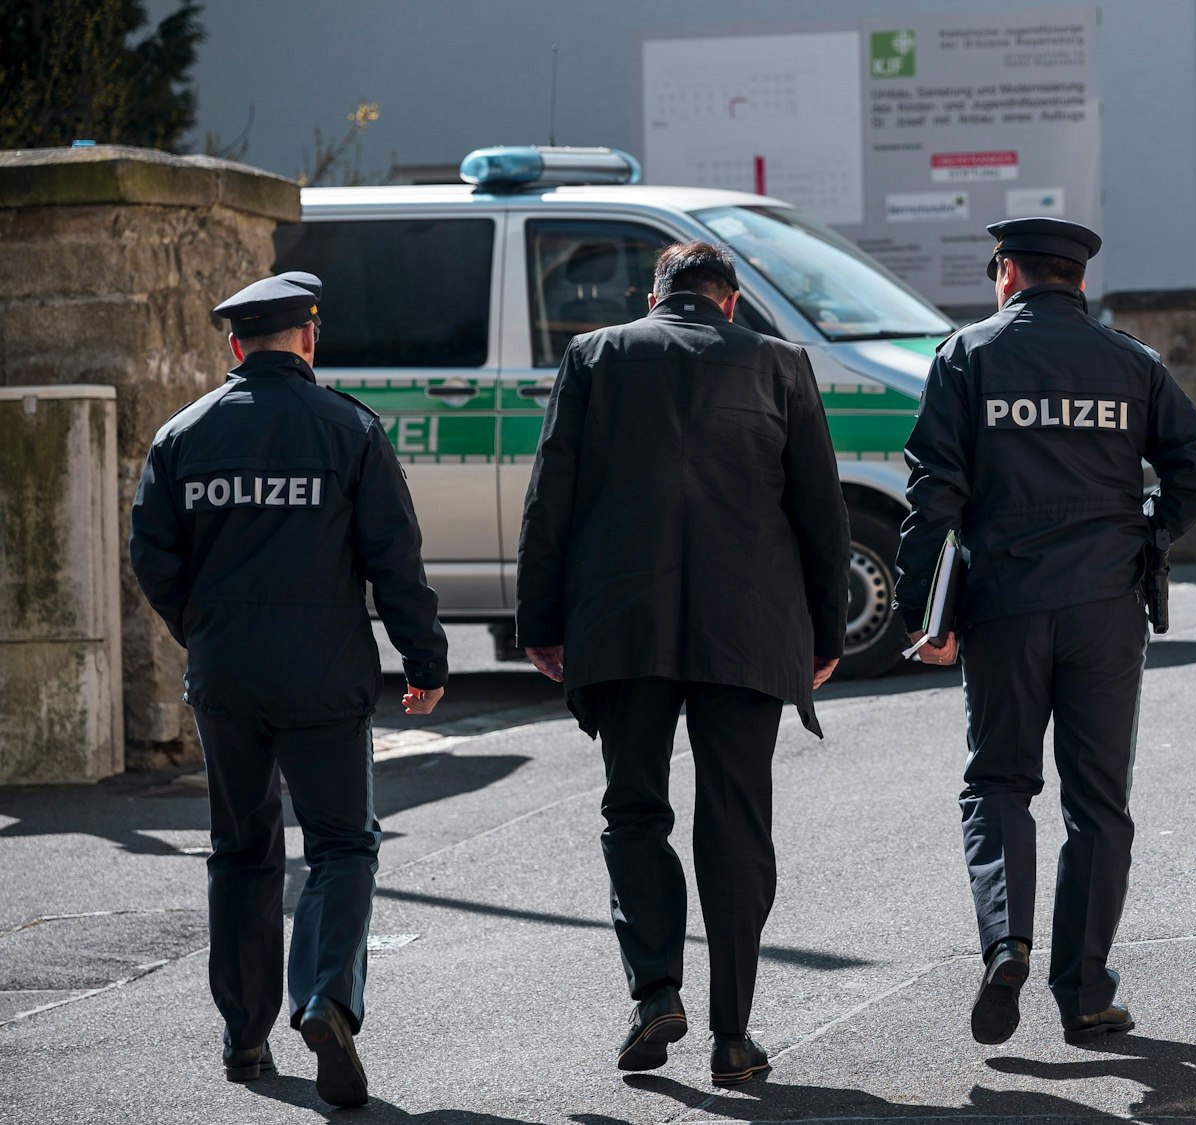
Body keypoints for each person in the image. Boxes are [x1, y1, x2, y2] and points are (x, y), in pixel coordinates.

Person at [514, 241, 848, 1086]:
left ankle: (655, 989)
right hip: (750, 628)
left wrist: (541, 620)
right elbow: (821, 510)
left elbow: (552, 494)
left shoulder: (594, 355)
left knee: (634, 810)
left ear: (655, 295)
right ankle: (734, 1035)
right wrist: (828, 634)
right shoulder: (782, 364)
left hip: (625, 625)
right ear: (730, 302)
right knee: (735, 823)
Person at [897, 217, 1196, 1048]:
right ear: (1079, 281)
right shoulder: (1131, 362)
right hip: (1106, 607)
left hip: (1003, 603)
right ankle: (1084, 993)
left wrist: (926, 617)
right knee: (1098, 803)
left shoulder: (967, 355)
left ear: (1005, 273)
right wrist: (1148, 532)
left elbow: (933, 493)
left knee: (1000, 782)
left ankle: (1006, 938)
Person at [129, 272, 448, 1109]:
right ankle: (325, 998)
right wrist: (425, 661)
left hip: (227, 676)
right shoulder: (349, 429)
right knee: (342, 844)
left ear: (235, 345)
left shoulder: (182, 436)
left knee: (241, 850)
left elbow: (153, 558)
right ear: (308, 338)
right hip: (326, 674)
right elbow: (394, 560)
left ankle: (244, 1035)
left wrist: (201, 630)